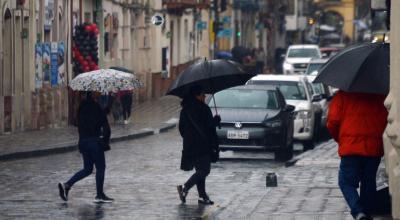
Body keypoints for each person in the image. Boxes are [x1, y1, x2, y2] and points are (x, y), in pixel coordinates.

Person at [326, 90, 388, 220]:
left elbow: (332, 121)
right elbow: (386, 120)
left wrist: (341, 140)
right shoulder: (379, 96)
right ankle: (367, 212)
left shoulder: (342, 95)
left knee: (346, 182)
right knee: (368, 182)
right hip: (373, 148)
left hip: (351, 148)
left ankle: (359, 211)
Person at [58, 91, 113, 203]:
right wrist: (105, 142)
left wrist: (105, 109)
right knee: (100, 168)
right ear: (92, 93)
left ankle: (67, 185)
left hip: (83, 142)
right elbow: (103, 123)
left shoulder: (81, 106)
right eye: (97, 91)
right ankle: (99, 194)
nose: (99, 92)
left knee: (87, 169)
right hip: (94, 142)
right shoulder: (95, 106)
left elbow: (80, 122)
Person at [177, 86, 220, 205]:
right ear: (197, 95)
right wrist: (216, 120)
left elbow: (181, 129)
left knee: (200, 170)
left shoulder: (185, 110)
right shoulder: (204, 109)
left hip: (190, 146)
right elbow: (209, 127)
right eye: (203, 94)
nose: (205, 97)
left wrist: (189, 138)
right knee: (204, 170)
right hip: (203, 145)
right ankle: (185, 188)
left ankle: (202, 196)